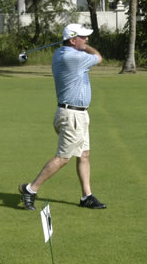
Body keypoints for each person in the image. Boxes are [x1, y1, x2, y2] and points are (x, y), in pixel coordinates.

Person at [19, 23, 107, 210]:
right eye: (83, 37)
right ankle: (31, 189)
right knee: (64, 157)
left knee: (84, 154)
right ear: (73, 40)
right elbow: (99, 57)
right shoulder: (73, 57)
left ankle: (87, 196)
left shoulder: (61, 53)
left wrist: (80, 43)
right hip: (72, 115)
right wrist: (86, 47)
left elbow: (84, 51)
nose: (87, 39)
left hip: (78, 114)